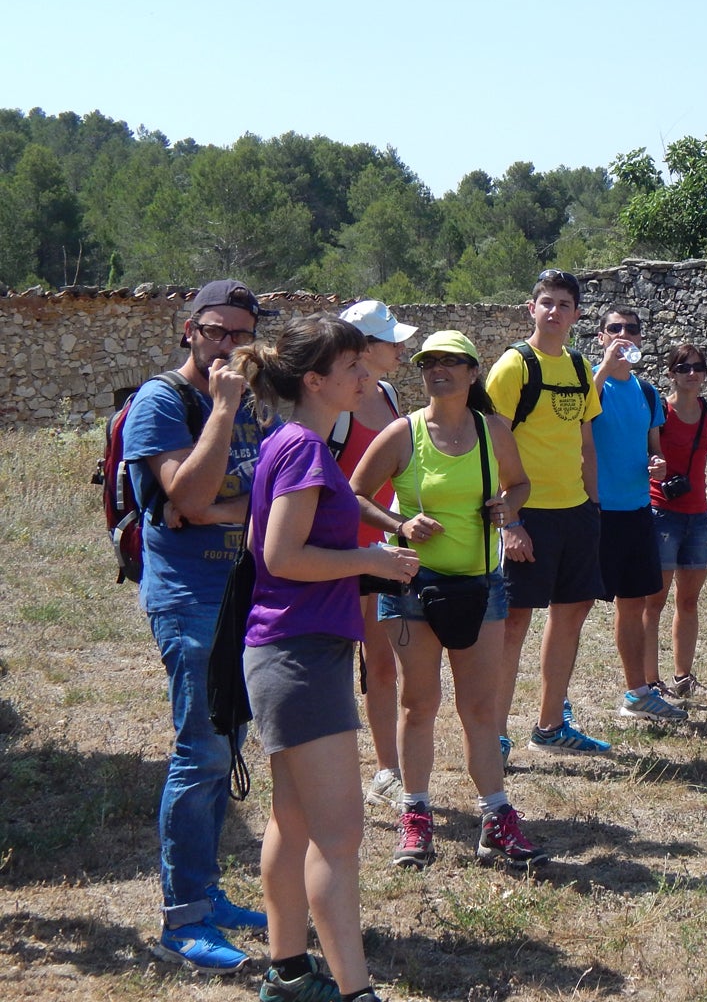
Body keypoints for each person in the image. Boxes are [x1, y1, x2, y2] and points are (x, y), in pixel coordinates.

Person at [235, 314, 419, 1002]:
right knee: (339, 840)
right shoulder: (308, 452)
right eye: (352, 370)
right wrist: (368, 559)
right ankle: (355, 992)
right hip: (302, 655)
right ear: (315, 380)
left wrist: (361, 559)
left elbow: (260, 541)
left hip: (284, 650)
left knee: (294, 821)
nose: (366, 379)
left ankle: (287, 974)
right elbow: (279, 554)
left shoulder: (284, 443)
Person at [123, 278, 274, 973]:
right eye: (217, 330)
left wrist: (221, 503)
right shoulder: (164, 401)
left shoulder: (254, 399)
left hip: (243, 592)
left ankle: (208, 895)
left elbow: (259, 491)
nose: (230, 345)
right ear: (189, 329)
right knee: (201, 753)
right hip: (189, 598)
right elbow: (183, 495)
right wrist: (221, 411)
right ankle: (182, 919)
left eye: (243, 333)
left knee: (229, 746)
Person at [350, 331, 543, 869]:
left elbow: (520, 484)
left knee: (480, 708)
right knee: (418, 705)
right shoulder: (402, 432)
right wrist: (399, 523)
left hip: (482, 586)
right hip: (413, 585)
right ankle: (415, 816)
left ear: (472, 372)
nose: (439, 370)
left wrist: (509, 509)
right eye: (429, 362)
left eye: (451, 362)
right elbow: (356, 494)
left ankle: (496, 818)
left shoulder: (492, 430)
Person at [483, 270, 611, 755]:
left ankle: (551, 726)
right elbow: (493, 443)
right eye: (547, 302)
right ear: (530, 309)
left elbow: (584, 442)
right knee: (513, 623)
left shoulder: (580, 368)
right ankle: (494, 737)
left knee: (571, 614)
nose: (555, 311)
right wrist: (509, 521)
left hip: (575, 511)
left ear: (576, 315)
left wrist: (594, 507)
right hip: (527, 512)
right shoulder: (513, 367)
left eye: (564, 304)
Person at [333, 299, 417, 808]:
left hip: (383, 546)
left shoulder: (385, 393)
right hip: (340, 552)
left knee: (382, 663)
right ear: (363, 347)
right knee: (338, 662)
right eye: (392, 340)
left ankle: (387, 769)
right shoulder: (332, 403)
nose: (402, 348)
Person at [590, 308, 683, 721]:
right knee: (571, 609)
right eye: (615, 329)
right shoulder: (587, 381)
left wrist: (657, 464)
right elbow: (575, 417)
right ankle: (555, 708)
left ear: (641, 339)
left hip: (637, 509)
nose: (623, 336)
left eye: (631, 330)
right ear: (600, 336)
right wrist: (604, 370)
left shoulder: (646, 393)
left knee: (633, 603)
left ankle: (636, 694)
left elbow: (654, 446)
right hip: (592, 510)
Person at [644, 343, 707, 699]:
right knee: (653, 601)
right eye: (684, 367)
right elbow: (645, 456)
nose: (692, 373)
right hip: (661, 513)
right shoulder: (659, 411)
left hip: (697, 515)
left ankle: (683, 676)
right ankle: (649, 680)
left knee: (689, 601)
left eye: (698, 367)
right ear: (671, 373)